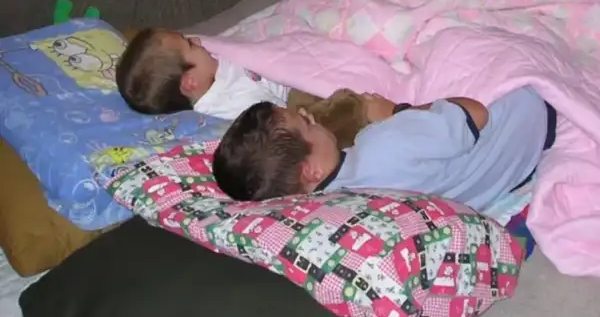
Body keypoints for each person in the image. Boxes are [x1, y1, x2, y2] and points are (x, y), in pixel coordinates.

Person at [212, 87, 557, 214]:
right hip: (527, 121)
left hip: (490, 186)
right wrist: (395, 111)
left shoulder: (342, 203)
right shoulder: (383, 142)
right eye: (304, 122)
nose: (309, 114)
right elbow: (475, 112)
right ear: (310, 171)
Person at [116, 28, 288, 119]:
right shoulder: (236, 102)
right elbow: (282, 116)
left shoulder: (207, 71)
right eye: (190, 44)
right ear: (191, 82)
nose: (197, 40)